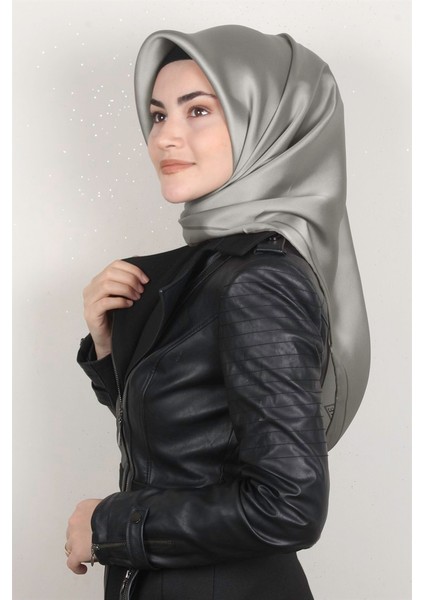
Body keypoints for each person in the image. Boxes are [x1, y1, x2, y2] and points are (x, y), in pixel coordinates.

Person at [65, 25, 370, 600]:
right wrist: (108, 347)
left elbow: (289, 507)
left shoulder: (260, 280)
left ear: (268, 123)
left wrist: (108, 527)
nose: (165, 137)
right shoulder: (215, 270)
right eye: (158, 115)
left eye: (198, 110)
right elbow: (188, 440)